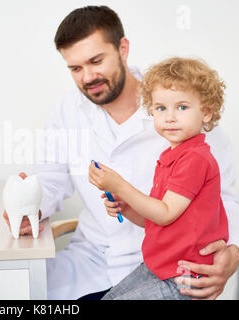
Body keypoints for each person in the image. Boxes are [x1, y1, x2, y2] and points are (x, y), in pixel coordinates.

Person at [3, 6, 239, 300]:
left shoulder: (186, 111)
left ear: (123, 48)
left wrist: (232, 251)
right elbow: (51, 178)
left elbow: (224, 199)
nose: (88, 77)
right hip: (89, 261)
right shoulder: (66, 110)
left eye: (96, 61)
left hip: (165, 269)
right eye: (75, 68)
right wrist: (32, 206)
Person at [88, 57, 229, 299]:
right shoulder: (170, 156)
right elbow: (157, 220)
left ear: (206, 113)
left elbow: (164, 213)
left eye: (182, 107)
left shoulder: (195, 159)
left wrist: (120, 185)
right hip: (161, 265)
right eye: (161, 108)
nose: (170, 117)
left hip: (184, 275)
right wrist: (128, 207)